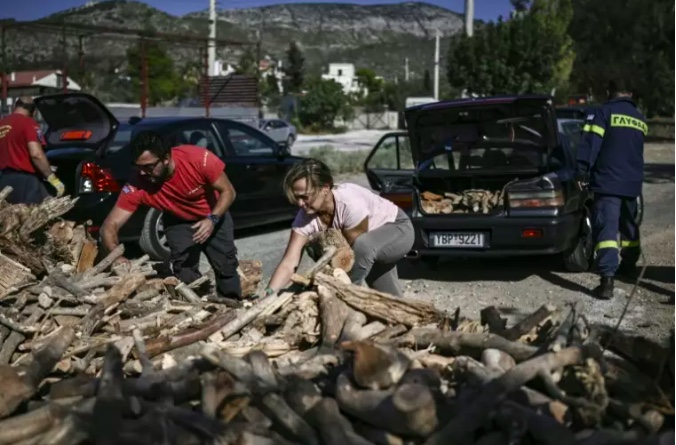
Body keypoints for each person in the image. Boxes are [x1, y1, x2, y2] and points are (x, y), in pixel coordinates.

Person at [100, 131, 242, 301]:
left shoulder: (197, 159)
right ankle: (195, 307)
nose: (143, 173)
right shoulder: (137, 183)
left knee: (225, 265)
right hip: (178, 220)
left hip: (213, 215)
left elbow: (229, 191)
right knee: (184, 270)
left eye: (148, 166)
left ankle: (233, 304)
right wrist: (116, 255)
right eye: (138, 166)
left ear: (166, 158)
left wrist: (212, 219)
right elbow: (109, 225)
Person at [263, 158, 415, 298]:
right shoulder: (304, 218)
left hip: (397, 230)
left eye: (305, 196)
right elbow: (289, 262)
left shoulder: (350, 202)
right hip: (371, 246)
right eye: (297, 197)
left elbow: (350, 256)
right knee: (391, 301)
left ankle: (347, 298)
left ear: (325, 188)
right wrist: (269, 293)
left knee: (362, 247)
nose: (300, 204)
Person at [576, 80, 647, 299]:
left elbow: (590, 145)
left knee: (606, 230)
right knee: (629, 226)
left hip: (608, 181)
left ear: (609, 92)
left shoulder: (603, 112)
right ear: (630, 93)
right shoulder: (640, 118)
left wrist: (581, 171)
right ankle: (629, 264)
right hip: (632, 183)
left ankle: (607, 280)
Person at [0, 96, 65, 203]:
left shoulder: (2, 124)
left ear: (15, 107)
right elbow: (36, 154)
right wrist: (53, 179)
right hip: (25, 183)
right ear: (34, 112)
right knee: (43, 214)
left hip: (3, 181)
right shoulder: (29, 123)